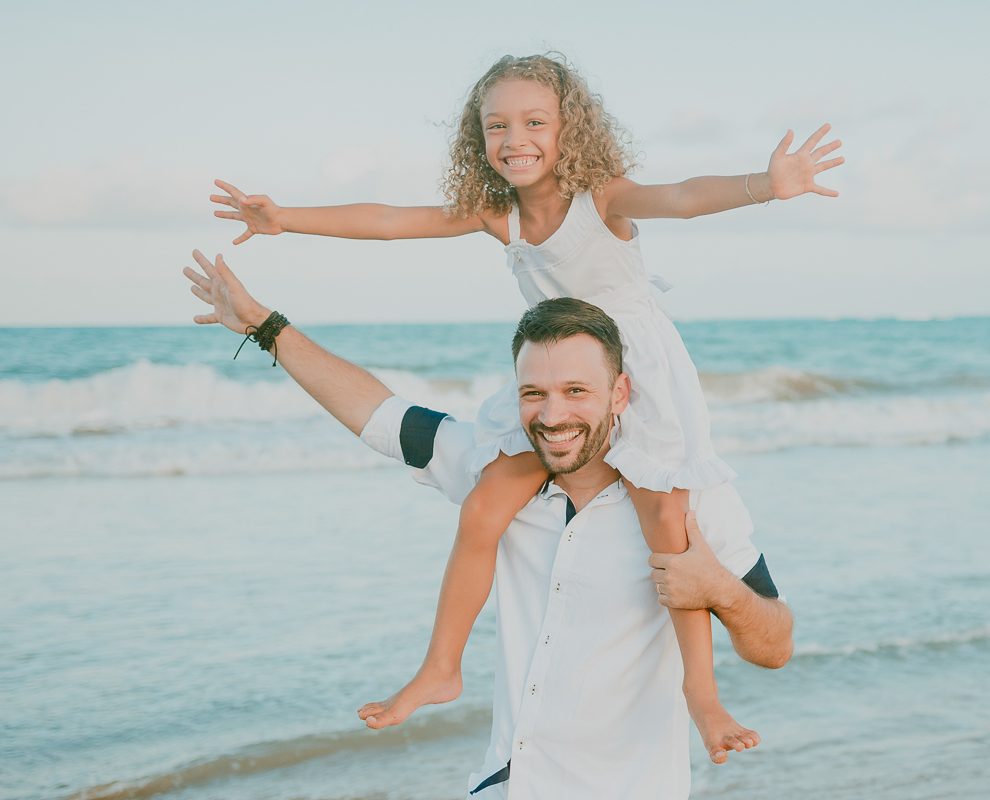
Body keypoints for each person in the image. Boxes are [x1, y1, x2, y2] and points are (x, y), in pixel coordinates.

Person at [209, 52, 837, 761]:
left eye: (535, 121)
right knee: (484, 504)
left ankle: (702, 694)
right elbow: (389, 221)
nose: (515, 138)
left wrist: (769, 185)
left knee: (670, 520)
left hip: (636, 373)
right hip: (554, 375)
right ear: (478, 139)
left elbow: (684, 196)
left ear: (571, 129)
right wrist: (282, 219)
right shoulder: (495, 213)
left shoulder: (601, 198)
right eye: (496, 125)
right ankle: (442, 668)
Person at [181, 249, 794, 797]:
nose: (553, 415)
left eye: (577, 391)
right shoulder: (495, 469)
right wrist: (266, 326)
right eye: (534, 393)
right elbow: (378, 415)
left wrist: (718, 589)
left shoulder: (692, 502)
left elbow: (776, 646)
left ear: (621, 393)